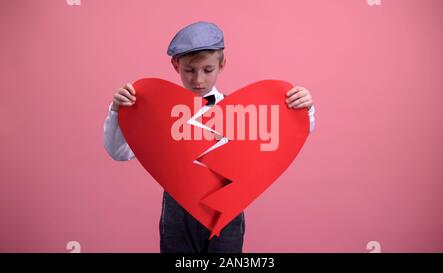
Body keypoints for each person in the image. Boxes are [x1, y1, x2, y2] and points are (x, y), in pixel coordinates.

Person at [103, 21, 316, 253]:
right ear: (175, 65)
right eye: (189, 70)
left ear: (222, 64)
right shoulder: (158, 112)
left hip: (227, 208)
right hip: (177, 212)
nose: (198, 80)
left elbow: (287, 133)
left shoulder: (242, 110)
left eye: (207, 70)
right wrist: (117, 111)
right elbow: (119, 152)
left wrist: (303, 108)